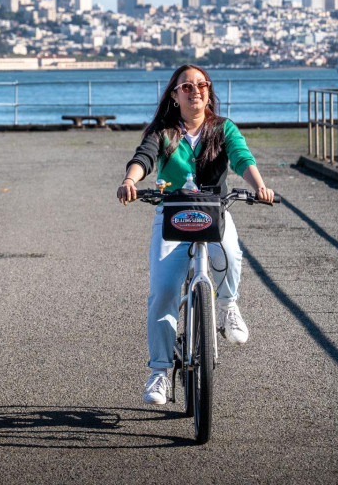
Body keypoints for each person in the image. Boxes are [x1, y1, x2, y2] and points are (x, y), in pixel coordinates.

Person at [117, 64, 274, 405]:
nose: (195, 91)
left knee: (230, 254)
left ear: (209, 90)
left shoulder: (223, 128)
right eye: (186, 86)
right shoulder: (163, 131)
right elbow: (143, 158)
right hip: (172, 215)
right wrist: (131, 181)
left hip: (214, 212)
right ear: (174, 96)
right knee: (163, 292)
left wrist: (260, 187)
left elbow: (241, 158)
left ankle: (228, 305)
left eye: (201, 85)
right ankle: (159, 372)